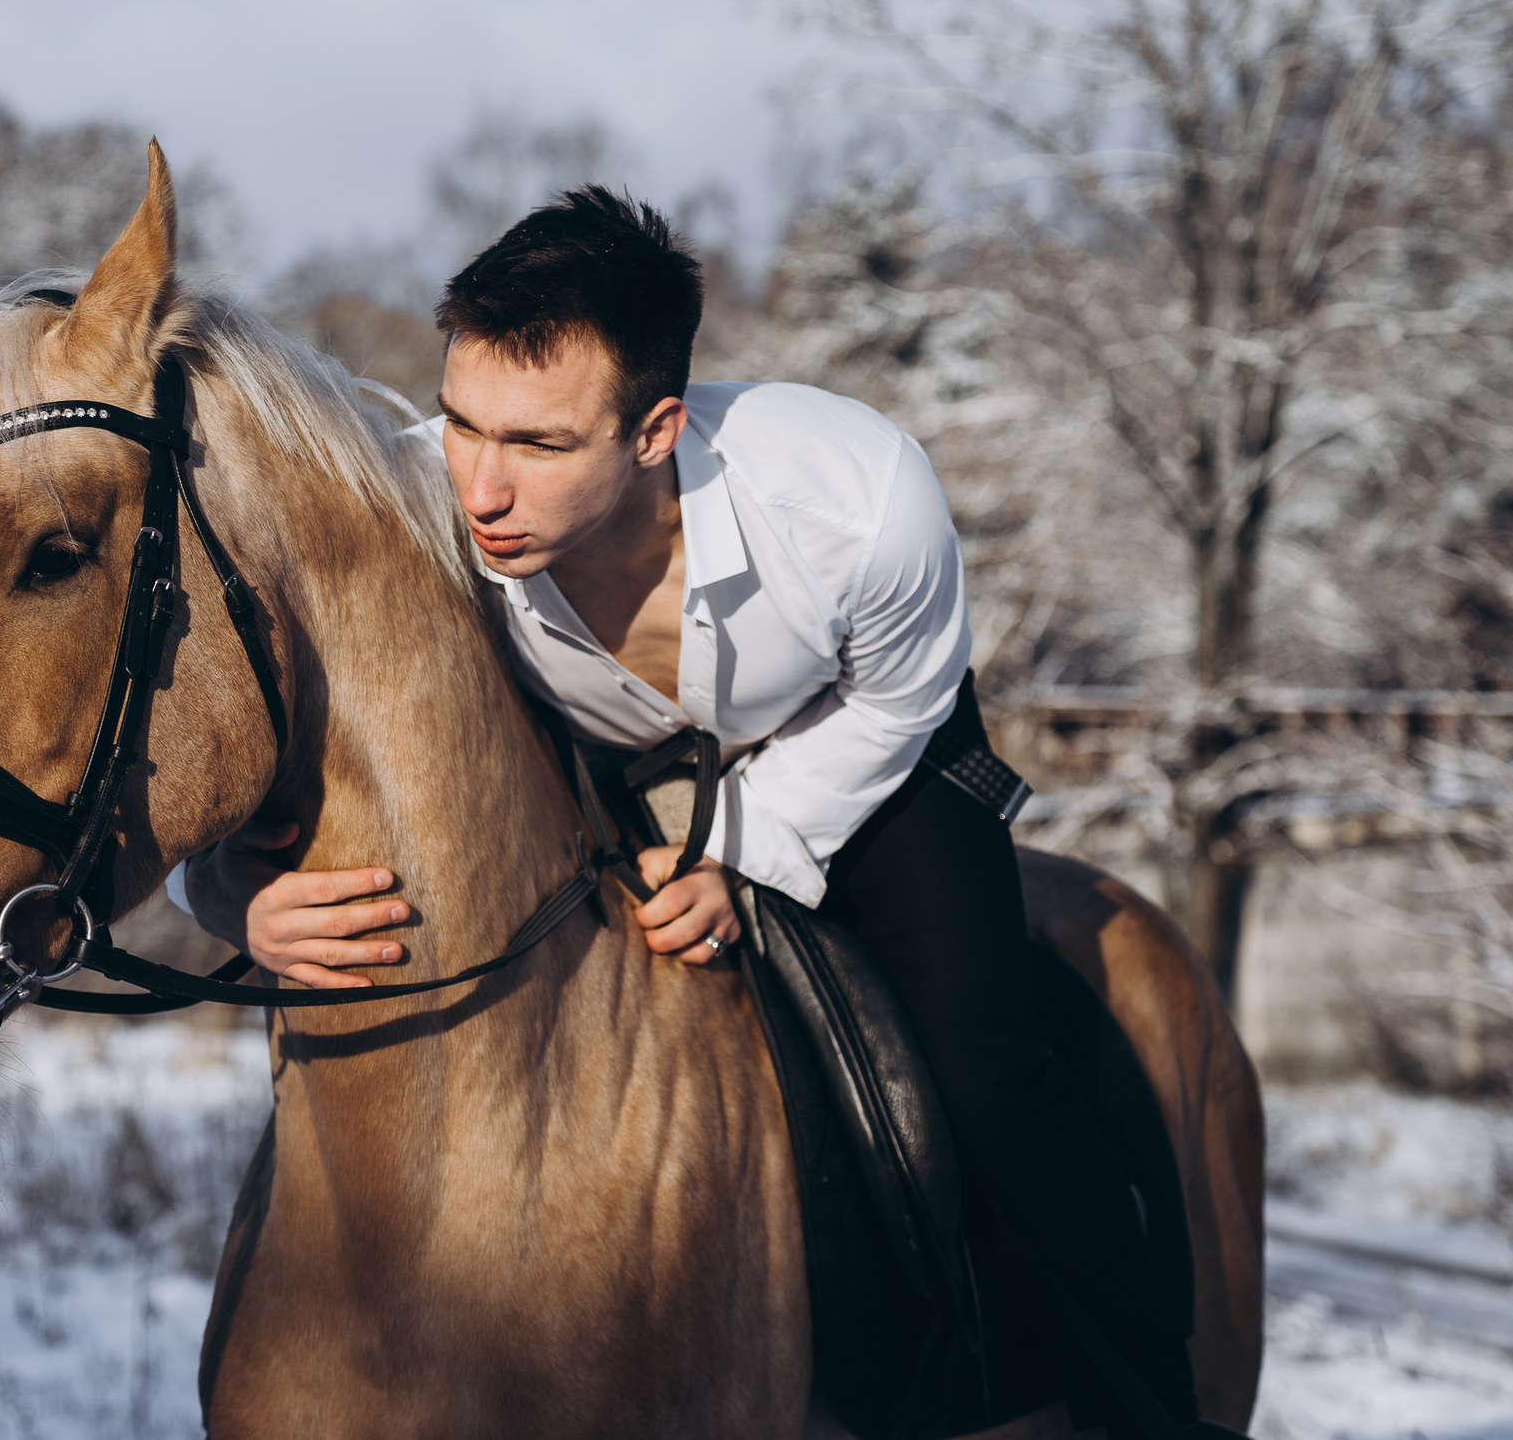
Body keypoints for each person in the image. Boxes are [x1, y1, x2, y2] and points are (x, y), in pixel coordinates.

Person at [177, 187, 1195, 1426]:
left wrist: (743, 852)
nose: (481, 487)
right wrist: (230, 892)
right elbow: (252, 711)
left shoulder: (859, 500)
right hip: (603, 759)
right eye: (462, 422)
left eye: (539, 445)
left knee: (988, 1065)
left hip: (854, 741)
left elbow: (898, 701)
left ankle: (1145, 1401)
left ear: (654, 429)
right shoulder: (415, 499)